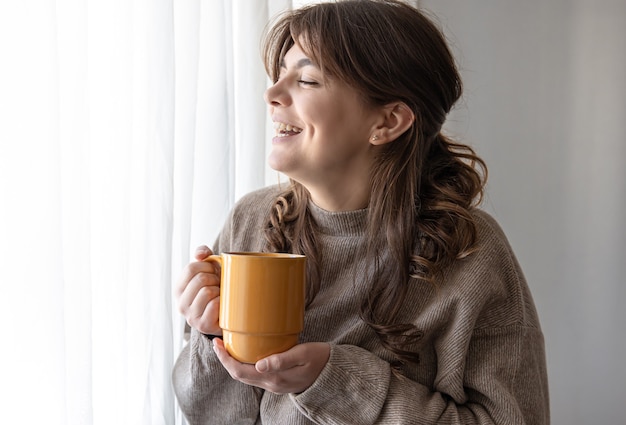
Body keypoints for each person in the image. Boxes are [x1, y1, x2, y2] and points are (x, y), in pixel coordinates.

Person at [172, 0, 550, 423]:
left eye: (308, 80)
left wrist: (337, 382)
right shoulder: (252, 220)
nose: (272, 94)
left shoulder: (469, 252)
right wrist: (211, 337)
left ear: (387, 121)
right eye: (280, 75)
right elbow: (212, 415)